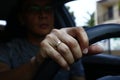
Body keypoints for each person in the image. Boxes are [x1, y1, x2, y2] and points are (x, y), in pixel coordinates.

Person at [0, 0, 103, 80]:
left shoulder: (68, 45)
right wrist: (36, 62)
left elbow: (78, 77)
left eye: (48, 8)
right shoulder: (8, 49)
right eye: (34, 9)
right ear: (22, 18)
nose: (43, 15)